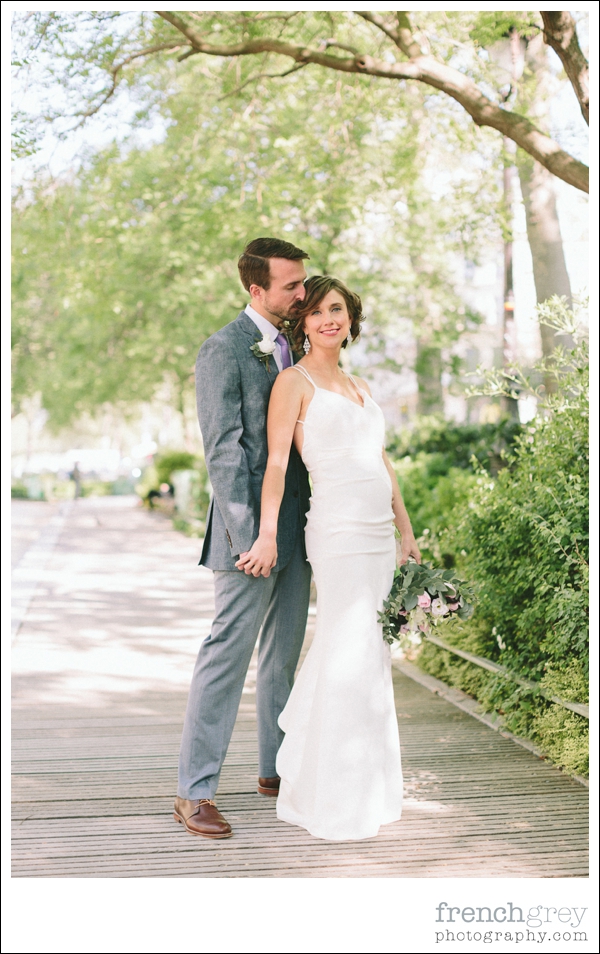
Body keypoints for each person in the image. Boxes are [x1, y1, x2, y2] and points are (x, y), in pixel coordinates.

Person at [237, 275, 421, 840]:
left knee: (371, 653)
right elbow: (274, 464)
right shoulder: (292, 382)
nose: (327, 320)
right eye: (316, 312)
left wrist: (406, 534)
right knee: (346, 644)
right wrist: (266, 534)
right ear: (303, 322)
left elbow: (381, 462)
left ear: (350, 316)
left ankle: (367, 784)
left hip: (376, 535)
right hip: (337, 532)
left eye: (336, 309)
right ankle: (322, 788)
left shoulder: (360, 383)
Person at [173, 238, 312, 838]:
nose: (303, 295)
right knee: (226, 657)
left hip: (301, 530)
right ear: (256, 290)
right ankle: (194, 791)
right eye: (291, 286)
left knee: (282, 657)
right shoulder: (222, 350)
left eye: (303, 284)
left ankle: (275, 771)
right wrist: (251, 537)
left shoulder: (299, 348)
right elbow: (223, 451)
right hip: (248, 541)